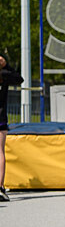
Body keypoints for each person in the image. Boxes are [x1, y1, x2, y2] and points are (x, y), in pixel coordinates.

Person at [0, 53, 23, 202]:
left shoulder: (4, 75)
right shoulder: (5, 74)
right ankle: (0, 187)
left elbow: (20, 79)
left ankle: (0, 187)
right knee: (0, 152)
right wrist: (6, 65)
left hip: (1, 117)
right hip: (1, 117)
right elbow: (19, 78)